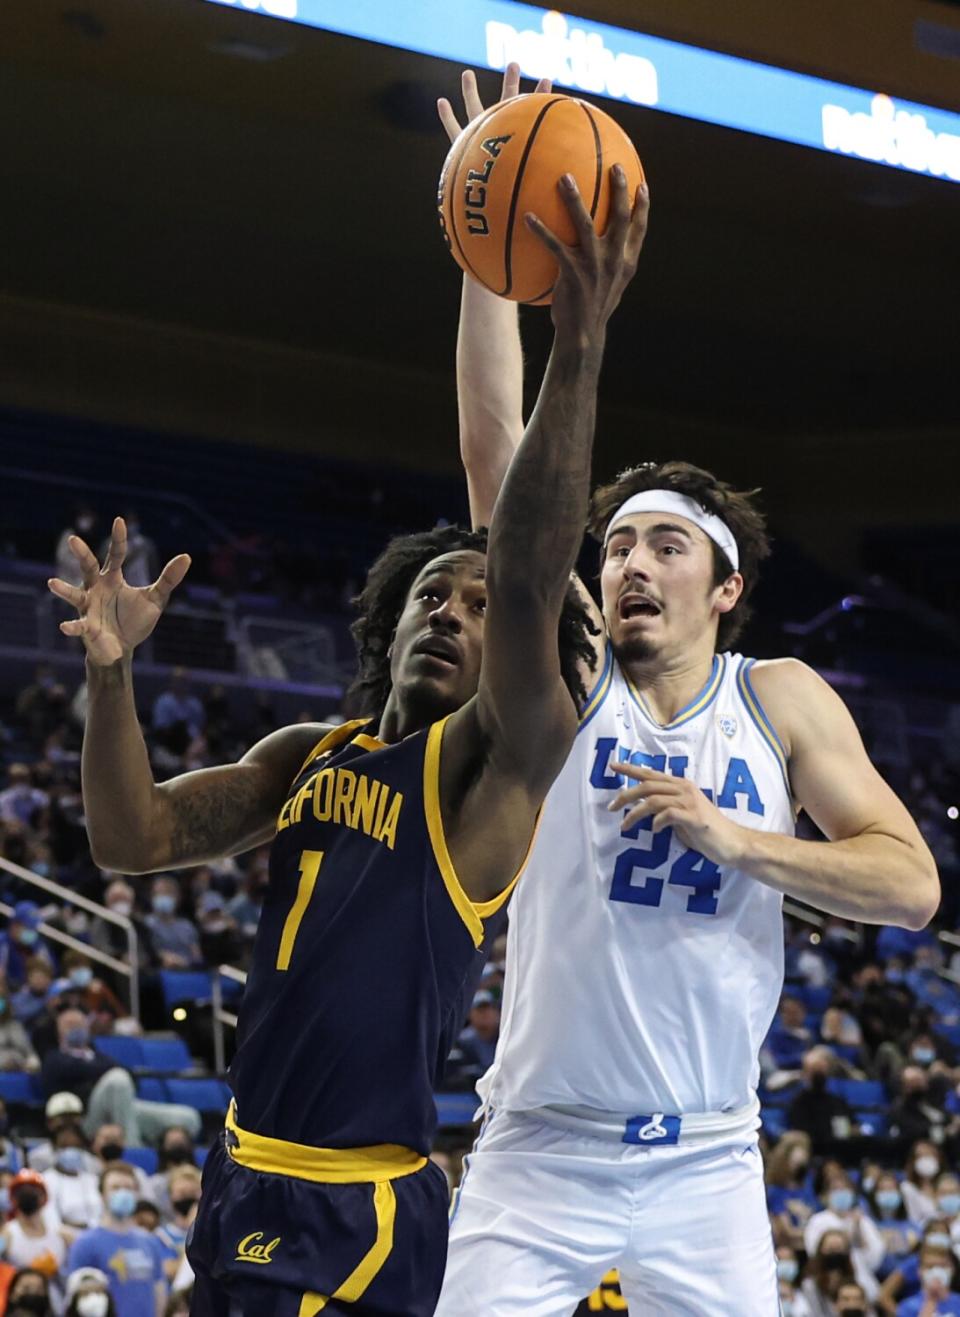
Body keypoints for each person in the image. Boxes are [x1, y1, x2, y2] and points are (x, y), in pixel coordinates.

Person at [48, 170, 646, 1315]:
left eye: (475, 608)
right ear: (388, 617)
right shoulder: (307, 754)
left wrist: (578, 344)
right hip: (240, 1174)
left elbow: (526, 566)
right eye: (434, 593)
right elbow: (133, 839)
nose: (453, 611)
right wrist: (111, 680)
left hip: (355, 1210)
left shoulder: (493, 768)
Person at [434, 61, 940, 1317]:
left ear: (725, 591)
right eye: (615, 546)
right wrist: (484, 256)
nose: (629, 563)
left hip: (709, 1157)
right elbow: (500, 462)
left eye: (664, 546)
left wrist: (737, 837)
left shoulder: (777, 698)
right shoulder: (572, 673)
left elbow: (912, 884)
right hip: (539, 1152)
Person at [40, 1009, 201, 1148]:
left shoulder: (98, 1055)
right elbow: (72, 1071)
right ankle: (133, 1149)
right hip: (86, 1119)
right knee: (117, 1079)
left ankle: (161, 1148)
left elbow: (132, 1077)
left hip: (122, 1109)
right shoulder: (54, 1058)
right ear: (59, 1031)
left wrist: (95, 1071)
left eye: (79, 1024)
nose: (76, 1029)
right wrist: (101, 1073)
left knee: (188, 1118)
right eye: (70, 1025)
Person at [67, 1162, 166, 1317]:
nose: (123, 1193)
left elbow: (159, 1291)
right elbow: (77, 1298)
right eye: (115, 1187)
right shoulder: (85, 1243)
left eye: (128, 1188)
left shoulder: (150, 1242)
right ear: (102, 1195)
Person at [1, 1171, 70, 1310]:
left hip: (55, 1302)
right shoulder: (7, 1234)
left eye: (33, 1191)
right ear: (13, 1199)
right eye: (23, 1192)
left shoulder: (61, 1234)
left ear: (44, 1198)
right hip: (21, 1303)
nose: (28, 1195)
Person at [801, 1231, 858, 1317]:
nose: (834, 1253)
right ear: (821, 1250)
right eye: (830, 1249)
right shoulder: (810, 1284)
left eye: (839, 1248)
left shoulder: (854, 1278)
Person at [895, 1242, 960, 1316]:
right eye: (930, 1266)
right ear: (919, 1271)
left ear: (952, 1269)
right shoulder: (908, 1307)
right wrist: (931, 1301)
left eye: (942, 1266)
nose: (936, 1272)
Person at [0, 904, 55, 991]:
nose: (32, 931)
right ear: (15, 925)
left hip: (32, 995)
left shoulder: (38, 944)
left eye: (34, 927)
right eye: (28, 927)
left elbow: (50, 972)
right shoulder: (2, 941)